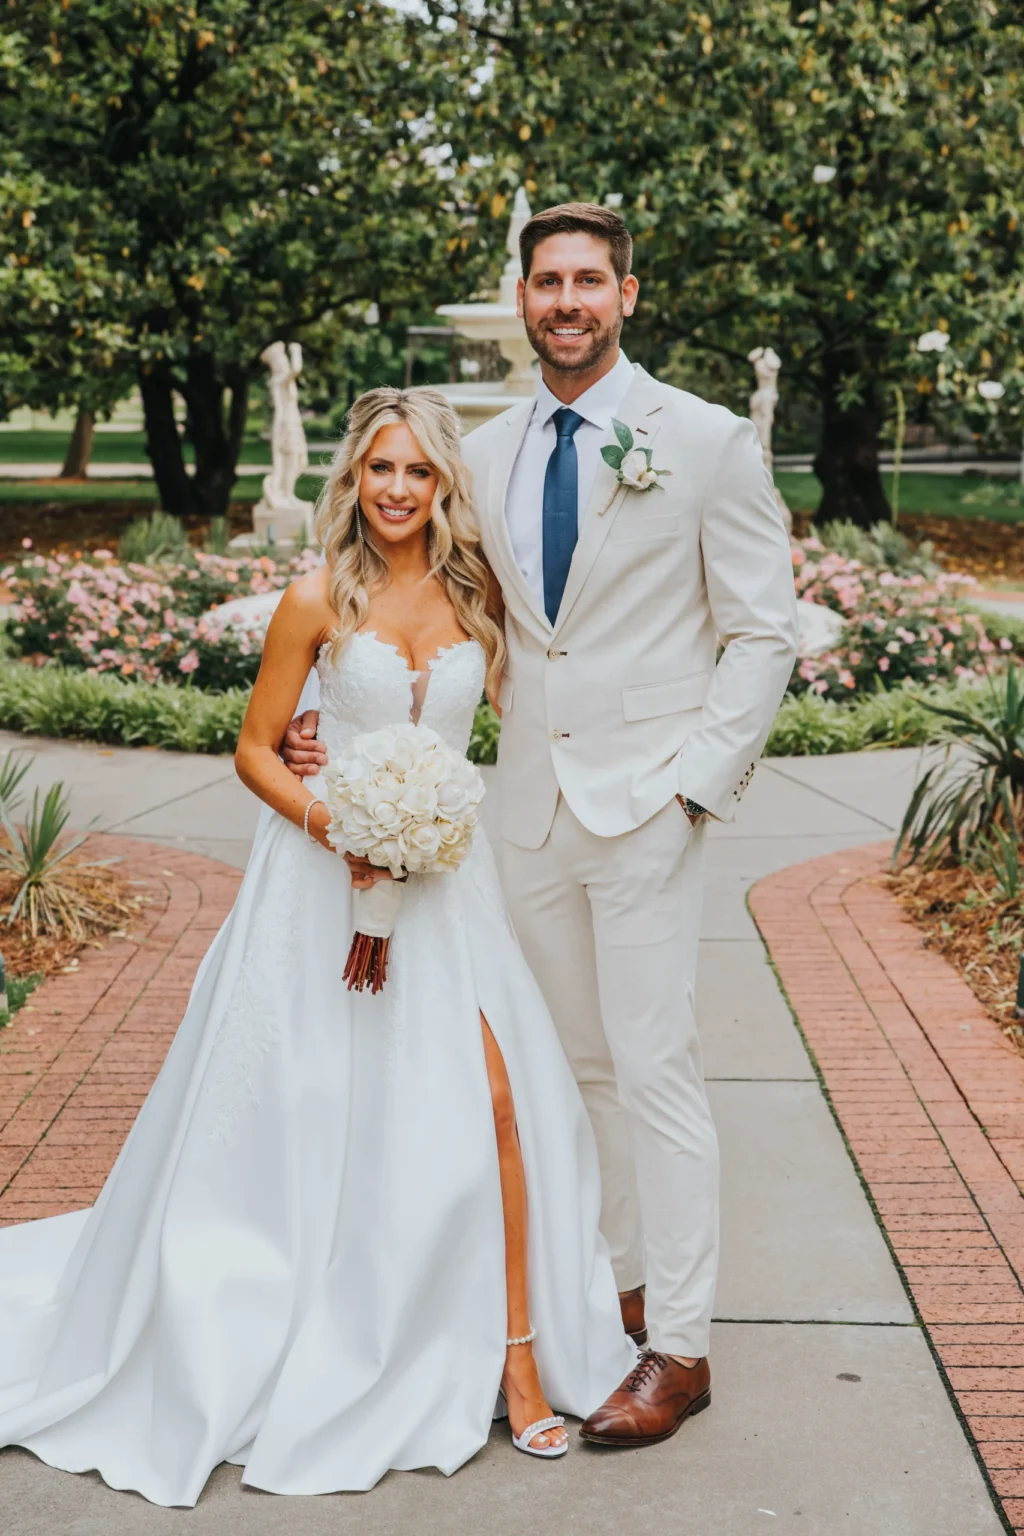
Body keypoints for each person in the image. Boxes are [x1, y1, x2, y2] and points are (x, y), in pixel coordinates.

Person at [0, 387, 633, 1506]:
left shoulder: (479, 597)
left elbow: (538, 713)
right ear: (356, 478)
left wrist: (424, 827)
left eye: (418, 474)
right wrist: (336, 825)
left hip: (447, 887)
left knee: (495, 1101)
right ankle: (323, 1310)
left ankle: (518, 1355)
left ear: (445, 487)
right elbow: (255, 750)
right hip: (315, 881)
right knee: (318, 1104)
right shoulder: (314, 597)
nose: (397, 490)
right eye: (380, 469)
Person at [284, 203, 799, 1447]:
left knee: (655, 1068)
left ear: (628, 292)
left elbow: (762, 630)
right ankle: (615, 1290)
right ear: (520, 300)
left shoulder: (707, 441)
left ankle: (679, 1347)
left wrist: (692, 790)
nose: (564, 301)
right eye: (545, 282)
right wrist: (323, 722)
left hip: (646, 811)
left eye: (587, 281)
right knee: (572, 1073)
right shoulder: (489, 444)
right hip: (517, 813)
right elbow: (440, 604)